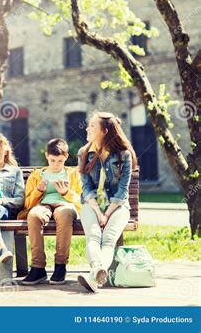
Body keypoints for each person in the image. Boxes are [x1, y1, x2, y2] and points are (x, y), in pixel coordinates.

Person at [77, 112, 137, 293]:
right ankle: (97, 271)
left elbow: (122, 190)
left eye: (92, 126)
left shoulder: (123, 155)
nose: (87, 128)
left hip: (117, 206)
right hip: (92, 204)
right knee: (94, 235)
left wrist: (108, 213)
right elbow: (86, 187)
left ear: (104, 130)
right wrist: (97, 210)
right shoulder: (84, 153)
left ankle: (94, 274)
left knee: (109, 238)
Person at [18, 138, 82, 286]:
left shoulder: (73, 174)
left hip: (65, 205)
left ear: (66, 157)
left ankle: (60, 266)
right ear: (47, 155)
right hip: (43, 204)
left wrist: (66, 193)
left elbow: (81, 200)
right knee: (34, 215)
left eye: (60, 161)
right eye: (52, 160)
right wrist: (39, 190)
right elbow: (28, 203)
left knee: (65, 214)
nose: (56, 165)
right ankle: (38, 267)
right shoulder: (36, 175)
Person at [0, 134, 24, 263]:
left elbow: (20, 200)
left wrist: (0, 201)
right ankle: (0, 249)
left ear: (5, 152)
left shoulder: (14, 171)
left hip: (3, 210)